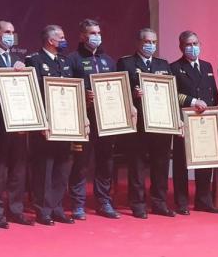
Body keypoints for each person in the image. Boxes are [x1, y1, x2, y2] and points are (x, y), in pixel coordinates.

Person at [117, 28, 175, 219]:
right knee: (137, 164)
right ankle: (138, 203)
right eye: (147, 42)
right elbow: (118, 90)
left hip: (161, 122)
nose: (151, 45)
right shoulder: (126, 63)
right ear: (138, 43)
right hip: (138, 122)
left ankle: (159, 202)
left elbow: (171, 92)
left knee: (161, 164)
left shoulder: (163, 64)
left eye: (154, 42)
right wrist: (132, 94)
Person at [66, 18, 120, 220]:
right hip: (84, 120)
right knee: (81, 163)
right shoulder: (72, 59)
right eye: (92, 33)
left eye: (98, 33)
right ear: (82, 36)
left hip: (107, 120)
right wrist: (83, 96)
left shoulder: (109, 61)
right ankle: (78, 203)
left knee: (106, 162)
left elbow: (117, 89)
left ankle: (104, 201)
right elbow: (65, 90)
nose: (96, 36)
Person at [24, 25, 76, 225]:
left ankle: (57, 207)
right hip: (45, 123)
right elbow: (33, 93)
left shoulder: (64, 61)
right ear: (50, 40)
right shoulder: (34, 60)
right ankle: (43, 209)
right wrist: (41, 122)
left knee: (63, 166)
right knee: (44, 167)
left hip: (66, 122)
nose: (64, 41)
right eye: (61, 38)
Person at [169, 31, 218, 215]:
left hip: (206, 121)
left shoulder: (207, 66)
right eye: (188, 44)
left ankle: (203, 200)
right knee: (181, 163)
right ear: (181, 47)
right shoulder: (174, 67)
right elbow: (172, 94)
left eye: (195, 44)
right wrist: (192, 101)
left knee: (205, 161)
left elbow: (213, 93)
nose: (192, 48)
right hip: (185, 121)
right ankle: (182, 202)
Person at [0, 19, 32, 227]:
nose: (10, 36)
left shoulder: (17, 60)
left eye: (12, 32)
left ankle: (16, 209)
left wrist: (23, 73)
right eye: (6, 32)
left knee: (18, 167)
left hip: (20, 121)